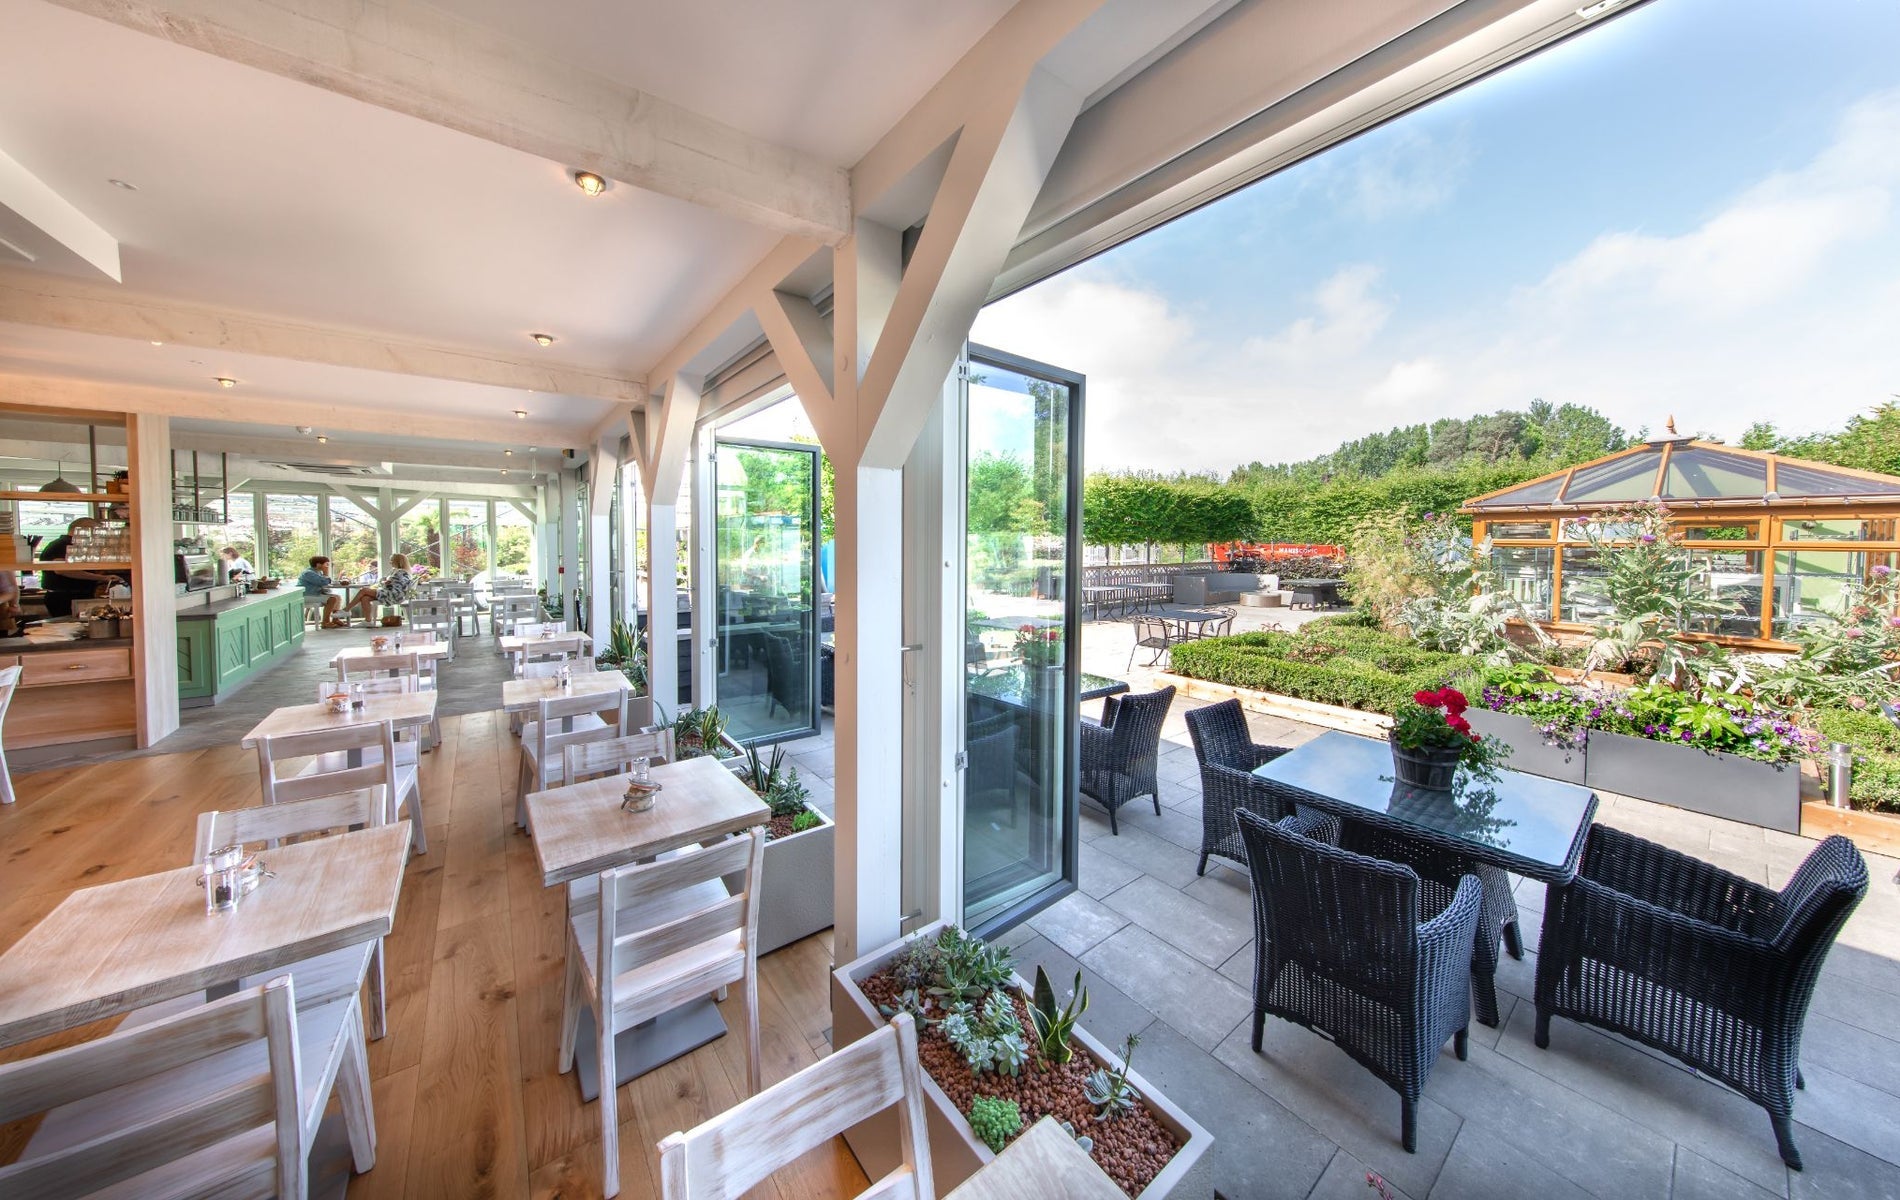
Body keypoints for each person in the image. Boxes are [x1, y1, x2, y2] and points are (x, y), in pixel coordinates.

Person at [39, 518, 116, 618]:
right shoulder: (62, 544)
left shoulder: (78, 546)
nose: (98, 535)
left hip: (77, 596)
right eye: (96, 531)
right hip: (65, 598)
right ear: (83, 530)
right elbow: (62, 570)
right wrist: (102, 578)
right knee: (69, 628)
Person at [344, 553, 414, 623]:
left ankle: (346, 610)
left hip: (393, 595)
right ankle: (368, 621)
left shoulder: (401, 572)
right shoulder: (395, 571)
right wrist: (384, 582)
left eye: (392, 560)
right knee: (365, 598)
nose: (390, 562)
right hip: (389, 592)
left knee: (363, 590)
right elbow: (384, 581)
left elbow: (390, 584)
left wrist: (385, 582)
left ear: (398, 561)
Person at [298, 555, 346, 627]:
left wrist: (339, 582)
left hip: (315, 594)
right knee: (332, 599)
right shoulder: (308, 573)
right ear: (318, 564)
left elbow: (327, 582)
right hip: (307, 595)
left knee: (337, 597)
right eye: (326, 564)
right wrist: (326, 573)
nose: (327, 566)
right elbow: (323, 582)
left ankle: (335, 619)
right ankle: (325, 622)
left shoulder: (318, 572)